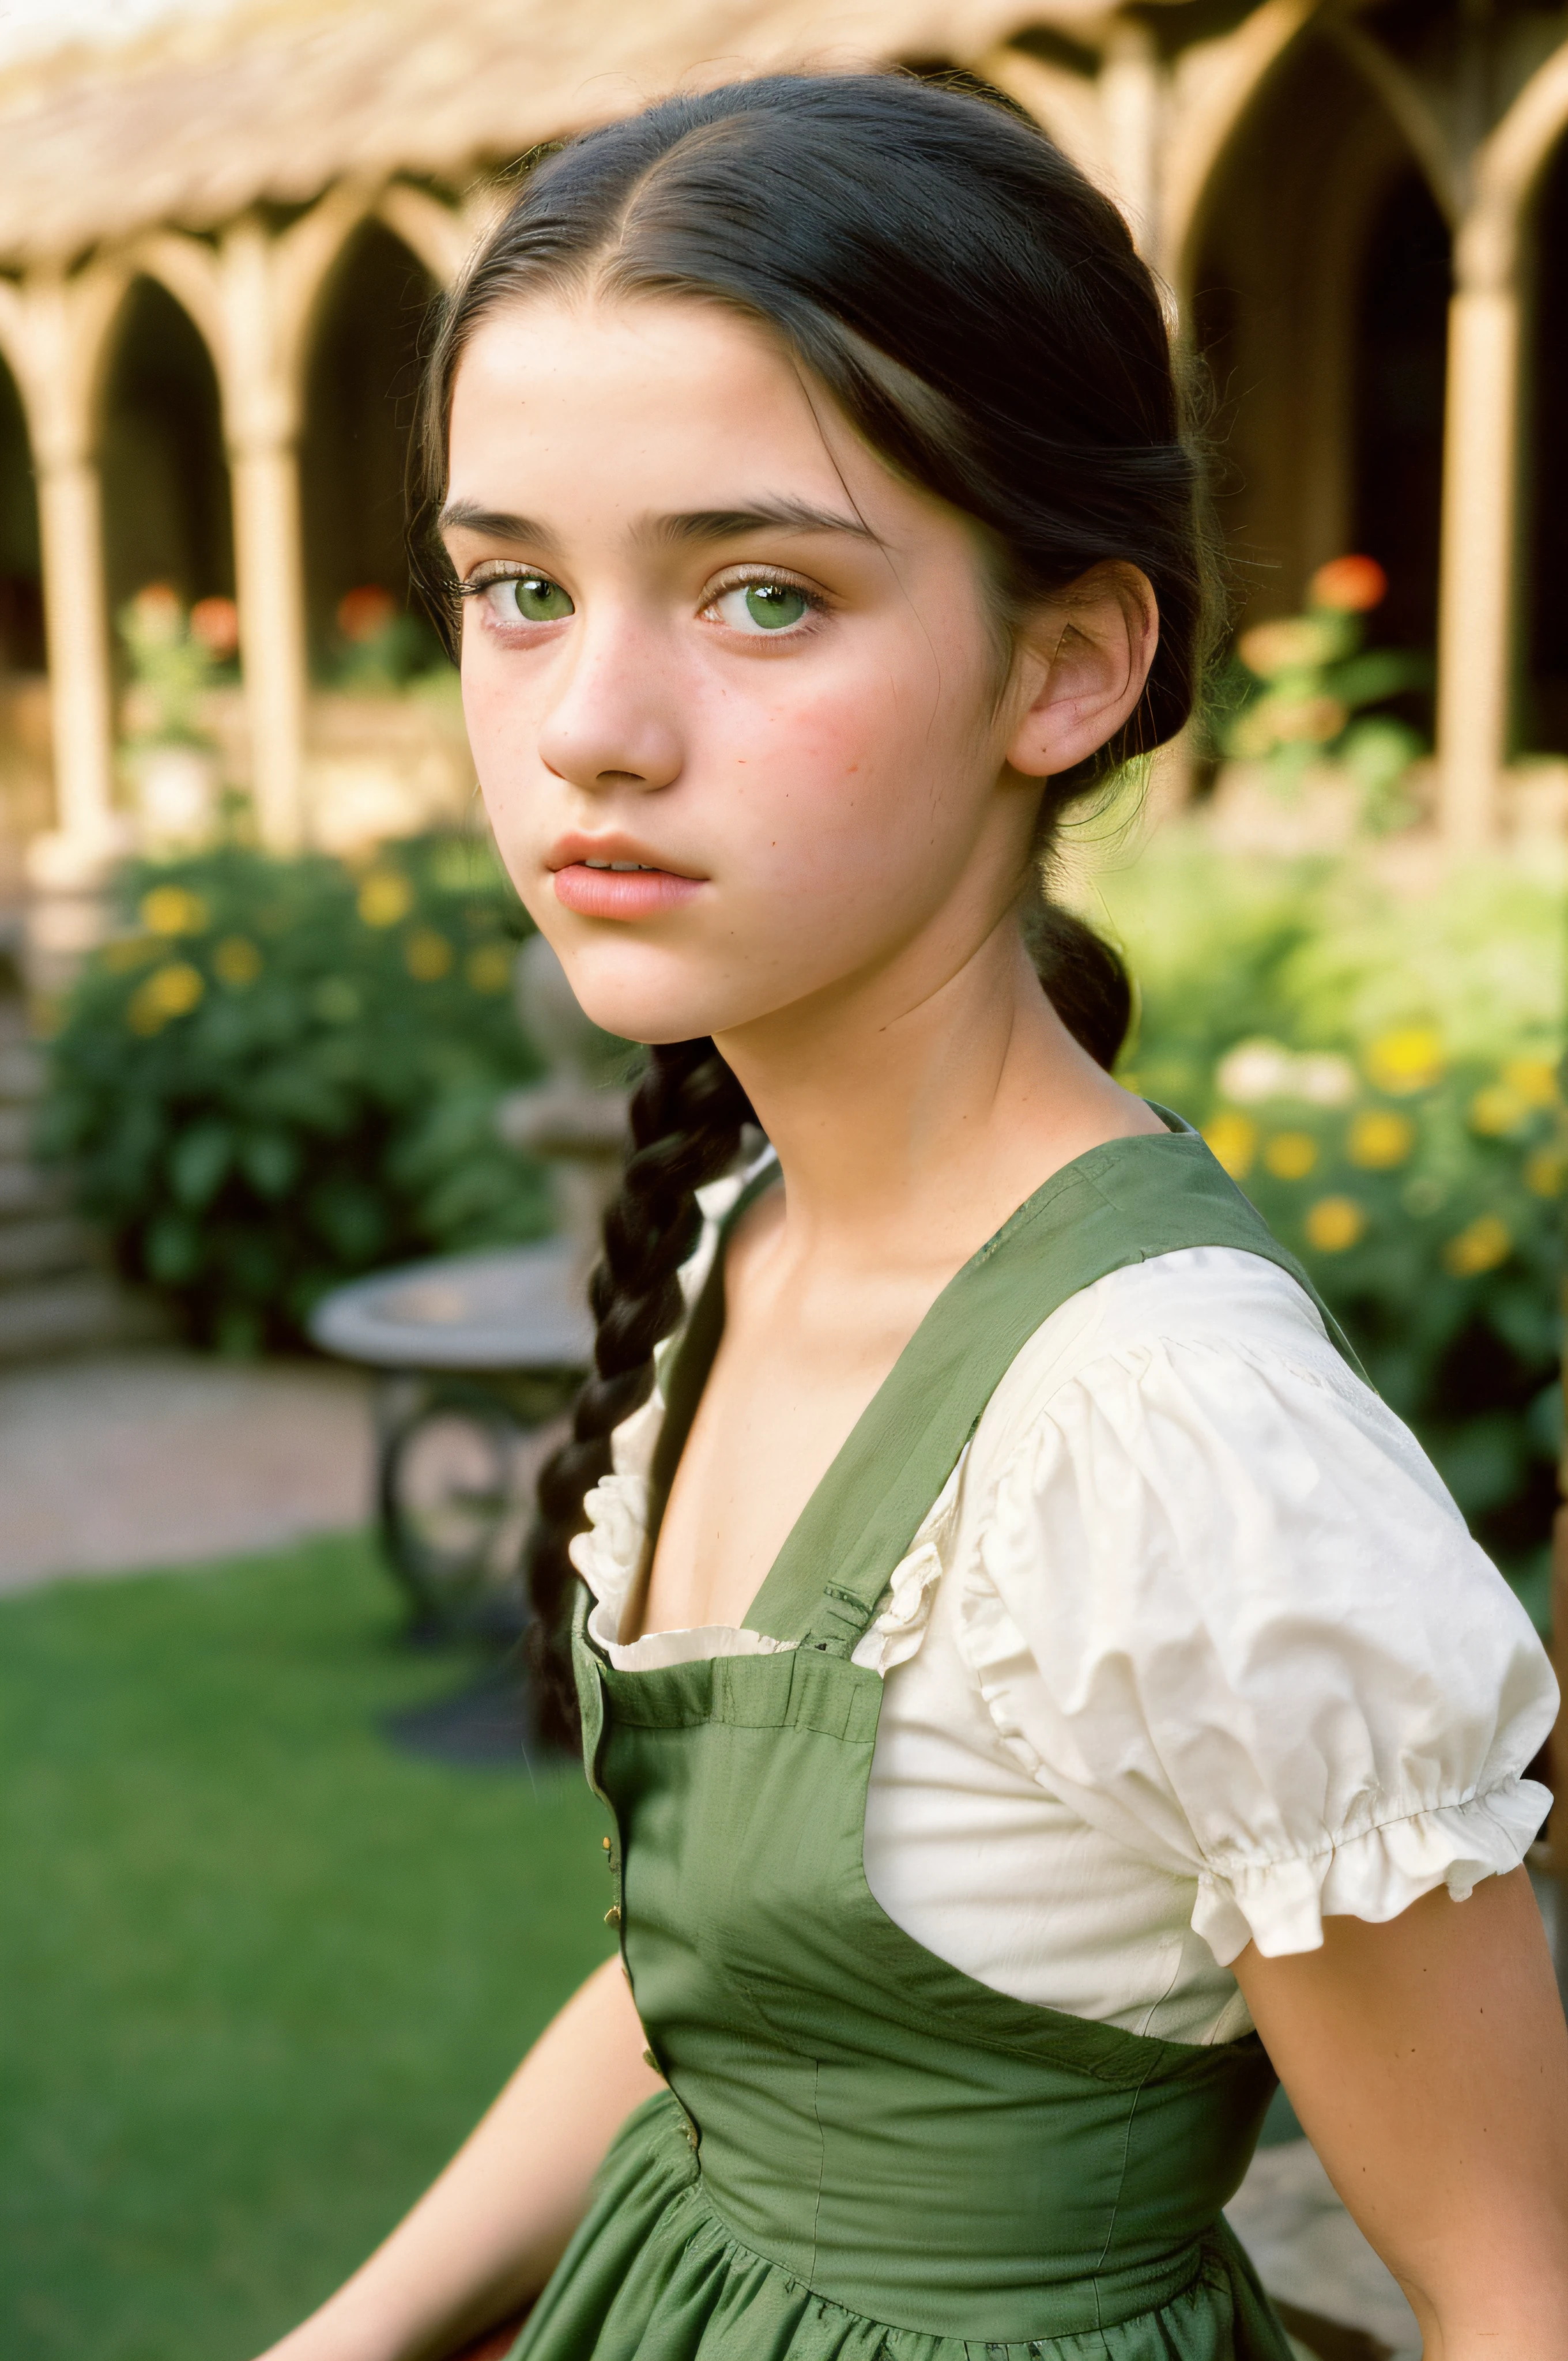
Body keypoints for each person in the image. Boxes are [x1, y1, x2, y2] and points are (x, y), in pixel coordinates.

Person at [261, 72, 1568, 2361]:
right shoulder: (735, 1235)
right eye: (517, 589)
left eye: (761, 593)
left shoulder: (1169, 1441)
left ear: (1065, 665)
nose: (585, 724)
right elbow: (729, 1999)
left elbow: (1508, 2296)